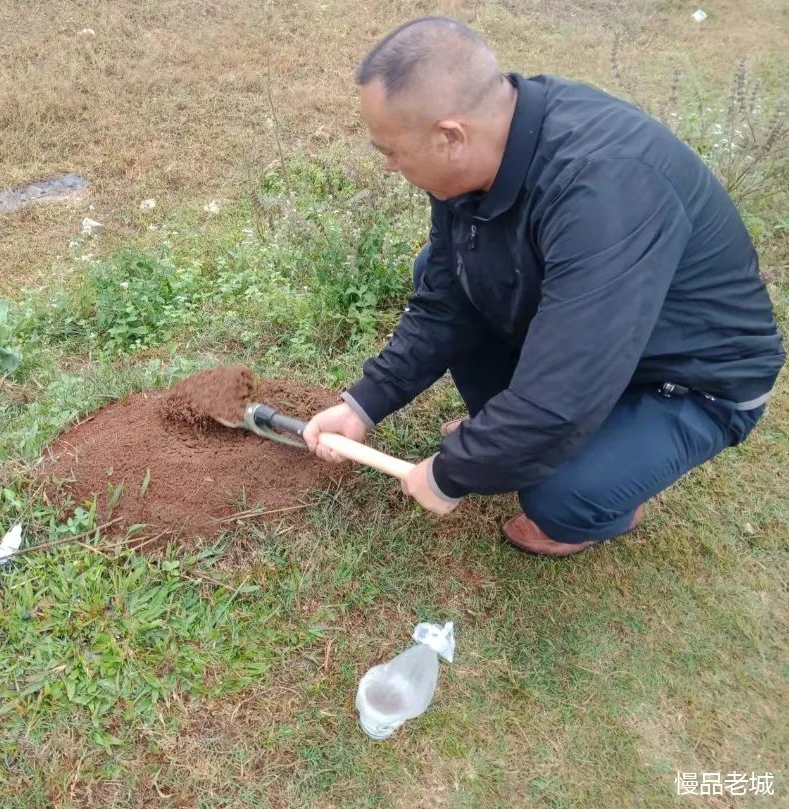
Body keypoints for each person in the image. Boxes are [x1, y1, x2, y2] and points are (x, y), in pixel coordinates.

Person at [302, 17, 784, 557]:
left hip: (690, 377)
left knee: (559, 494)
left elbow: (563, 396)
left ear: (450, 137)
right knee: (452, 273)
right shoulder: (482, 155)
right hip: (605, 336)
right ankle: (522, 438)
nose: (390, 166)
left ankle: (602, 494)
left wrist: (452, 472)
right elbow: (444, 298)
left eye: (390, 150)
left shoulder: (605, 190)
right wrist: (364, 405)